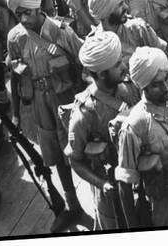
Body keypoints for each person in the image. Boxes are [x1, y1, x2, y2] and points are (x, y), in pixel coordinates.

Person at [6, 0, 83, 217]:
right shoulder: (15, 38)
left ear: (38, 8)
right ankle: (73, 205)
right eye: (18, 14)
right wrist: (16, 115)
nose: (23, 18)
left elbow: (82, 67)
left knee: (81, 149)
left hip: (67, 97)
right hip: (40, 102)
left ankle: (105, 202)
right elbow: (16, 77)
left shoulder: (61, 31)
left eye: (26, 12)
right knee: (56, 154)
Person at [116, 47, 168, 228]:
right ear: (142, 86)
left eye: (166, 78)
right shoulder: (136, 125)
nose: (165, 87)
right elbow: (125, 183)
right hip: (165, 200)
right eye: (156, 84)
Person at [65, 31, 133, 230]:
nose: (124, 67)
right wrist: (102, 184)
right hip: (111, 195)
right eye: (118, 64)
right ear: (102, 74)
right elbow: (75, 161)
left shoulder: (129, 88)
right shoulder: (83, 115)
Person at [88, 0, 167, 70]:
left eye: (124, 2)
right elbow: (88, 76)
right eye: (120, 5)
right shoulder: (94, 42)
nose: (126, 7)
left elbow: (164, 59)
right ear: (106, 12)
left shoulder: (138, 29)